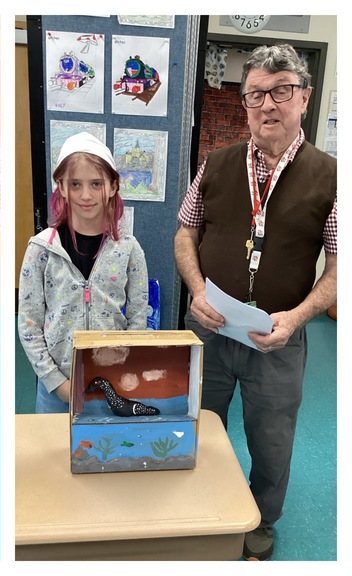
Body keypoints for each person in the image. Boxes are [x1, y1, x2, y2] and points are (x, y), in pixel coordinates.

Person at [174, 43, 336, 561]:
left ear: (304, 98)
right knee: (196, 422)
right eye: (256, 95)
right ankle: (195, 505)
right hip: (210, 328)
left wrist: (299, 316)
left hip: (278, 340)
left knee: (272, 441)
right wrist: (197, 291)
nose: (268, 105)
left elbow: (340, 266)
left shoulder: (332, 178)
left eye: (281, 91)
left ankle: (261, 522)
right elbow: (185, 234)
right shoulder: (215, 164)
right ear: (244, 103)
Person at [18, 132, 148, 413]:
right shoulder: (41, 249)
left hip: (113, 382)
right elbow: (28, 323)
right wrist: (55, 381)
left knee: (108, 453)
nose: (86, 195)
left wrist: (125, 362)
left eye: (96, 184)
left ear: (113, 186)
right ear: (61, 187)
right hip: (56, 389)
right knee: (55, 455)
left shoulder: (129, 249)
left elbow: (139, 317)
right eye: (75, 184)